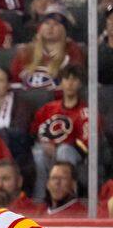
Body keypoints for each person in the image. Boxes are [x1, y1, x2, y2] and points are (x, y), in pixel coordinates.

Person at [30, 64, 89, 201]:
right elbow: (34, 133)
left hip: (71, 153)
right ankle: (40, 201)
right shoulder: (48, 109)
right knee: (38, 153)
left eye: (74, 80)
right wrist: (44, 144)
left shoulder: (85, 112)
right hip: (47, 152)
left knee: (64, 151)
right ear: (61, 83)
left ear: (80, 83)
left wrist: (57, 147)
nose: (69, 83)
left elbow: (86, 145)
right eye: (66, 79)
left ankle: (67, 198)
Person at [11, 3, 85, 89]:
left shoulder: (72, 50)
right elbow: (15, 82)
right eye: (46, 23)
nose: (50, 27)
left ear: (64, 30)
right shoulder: (26, 52)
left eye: (56, 24)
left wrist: (64, 60)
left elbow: (76, 81)